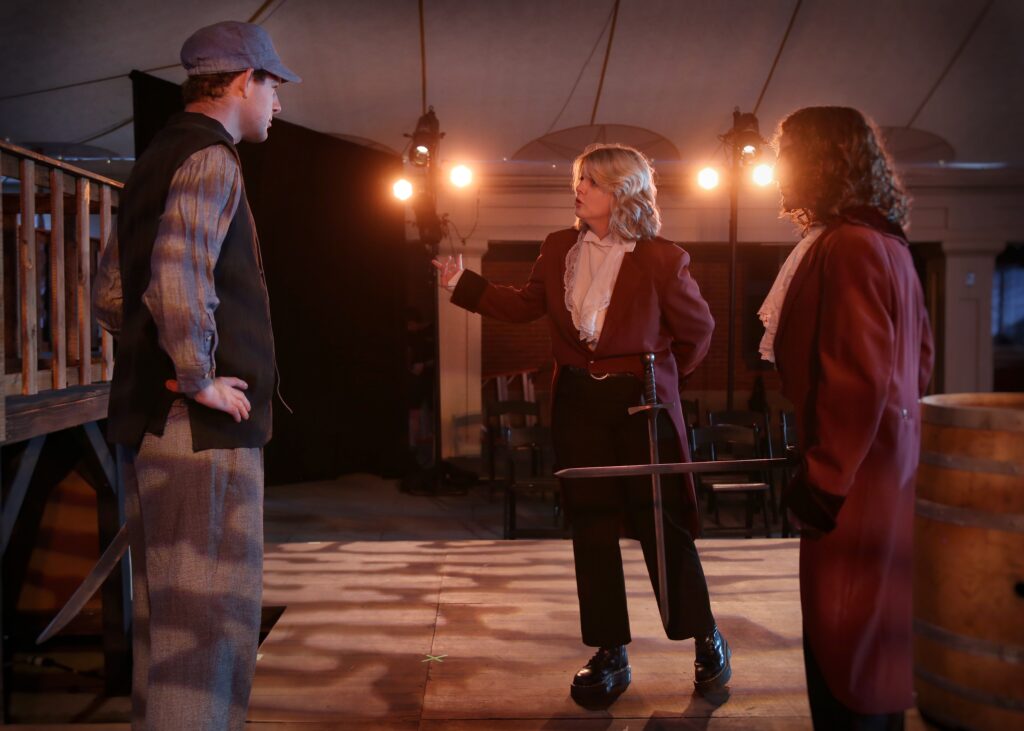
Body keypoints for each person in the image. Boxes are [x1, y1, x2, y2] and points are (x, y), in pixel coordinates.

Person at [435, 143, 730, 707]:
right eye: (579, 179)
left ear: (621, 190)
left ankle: (704, 635)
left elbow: (698, 334)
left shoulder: (663, 258)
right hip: (577, 403)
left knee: (662, 525)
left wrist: (662, 383)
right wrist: (463, 284)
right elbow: (525, 305)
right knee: (591, 528)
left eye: (590, 181)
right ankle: (610, 650)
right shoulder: (557, 248)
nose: (578, 189)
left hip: (640, 405)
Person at [92, 20, 299, 730]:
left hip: (154, 426)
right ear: (242, 81)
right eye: (272, 85)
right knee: (206, 630)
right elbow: (177, 279)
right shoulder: (212, 158)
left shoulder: (155, 158)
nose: (277, 102)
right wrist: (197, 374)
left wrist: (160, 360)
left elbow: (111, 295)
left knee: (171, 630)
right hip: (198, 433)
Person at [759, 106, 934, 730]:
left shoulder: (850, 245)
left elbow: (854, 379)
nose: (779, 167)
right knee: (874, 640)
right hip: (887, 468)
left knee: (845, 642)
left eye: (786, 153)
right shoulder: (889, 243)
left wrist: (823, 481)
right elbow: (921, 361)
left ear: (819, 160)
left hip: (851, 479)